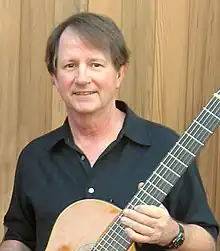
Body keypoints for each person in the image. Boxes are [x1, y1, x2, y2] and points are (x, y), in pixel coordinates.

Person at [0, 12, 218, 251]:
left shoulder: (166, 148)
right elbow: (19, 237)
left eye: (95, 64)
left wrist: (172, 234)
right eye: (70, 65)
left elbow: (207, 241)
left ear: (119, 73)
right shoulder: (35, 157)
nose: (82, 78)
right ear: (55, 77)